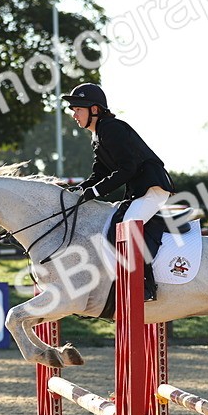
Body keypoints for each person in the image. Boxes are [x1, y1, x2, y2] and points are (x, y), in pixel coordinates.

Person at [61, 82, 175, 301]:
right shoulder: (98, 135)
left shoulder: (111, 128)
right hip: (139, 190)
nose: (74, 115)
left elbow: (128, 168)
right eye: (73, 110)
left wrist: (95, 192)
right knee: (110, 228)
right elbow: (99, 174)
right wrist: (78, 190)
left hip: (153, 187)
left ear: (94, 109)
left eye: (78, 109)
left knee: (127, 227)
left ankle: (145, 286)